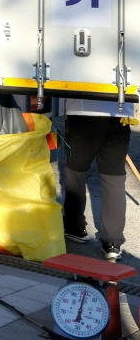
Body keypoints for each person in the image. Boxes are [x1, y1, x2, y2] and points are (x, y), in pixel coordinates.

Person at [62, 98, 135, 261]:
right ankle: (112, 242)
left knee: (76, 173)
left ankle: (74, 227)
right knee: (114, 179)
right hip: (119, 114)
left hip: (82, 111)